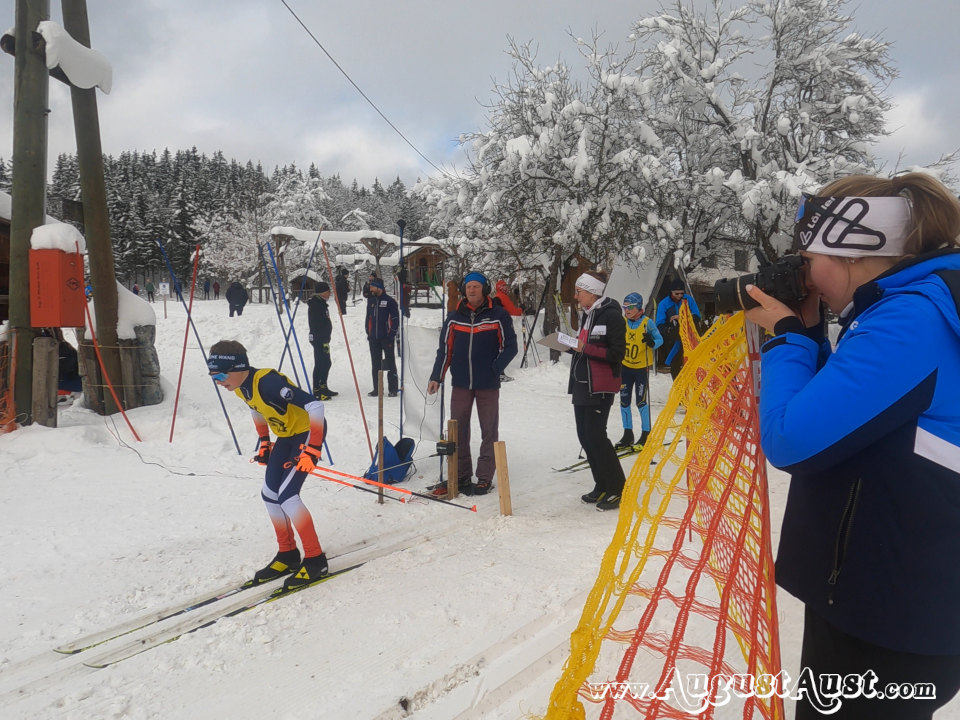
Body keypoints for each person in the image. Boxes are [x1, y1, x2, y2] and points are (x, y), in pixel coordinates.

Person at [744, 173, 960, 719]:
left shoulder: (911, 320)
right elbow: (856, 419)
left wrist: (788, 339)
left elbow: (791, 439)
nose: (804, 273)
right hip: (900, 598)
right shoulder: (909, 307)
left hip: (889, 617)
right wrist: (811, 333)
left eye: (808, 254)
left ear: (851, 250)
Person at [207, 341, 329, 589]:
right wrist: (264, 441)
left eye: (220, 374)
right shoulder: (241, 386)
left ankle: (316, 560)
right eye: (213, 376)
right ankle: (288, 554)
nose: (218, 381)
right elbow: (257, 409)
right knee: (270, 495)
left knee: (288, 496)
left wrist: (313, 448)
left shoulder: (267, 381)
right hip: (286, 437)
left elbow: (315, 406)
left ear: (238, 367)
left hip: (307, 434)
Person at [427, 271, 518, 497]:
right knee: (458, 430)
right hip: (460, 383)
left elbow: (511, 347)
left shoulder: (498, 315)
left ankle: (484, 476)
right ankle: (461, 473)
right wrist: (436, 376)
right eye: (468, 287)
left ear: (484, 289)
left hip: (487, 384)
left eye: (476, 286)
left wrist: (494, 369)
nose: (472, 290)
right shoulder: (454, 317)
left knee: (489, 430)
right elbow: (445, 350)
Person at [568, 271, 627, 511]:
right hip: (582, 383)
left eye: (579, 292)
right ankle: (601, 484)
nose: (575, 297)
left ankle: (617, 488)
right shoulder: (588, 315)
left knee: (596, 436)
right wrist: (571, 346)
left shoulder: (612, 316)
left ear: (592, 292)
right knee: (584, 436)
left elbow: (616, 354)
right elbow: (586, 347)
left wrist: (585, 348)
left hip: (600, 385)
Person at [615, 292, 663, 450]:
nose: (626, 309)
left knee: (641, 402)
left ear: (638, 308)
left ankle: (646, 434)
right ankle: (627, 434)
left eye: (630, 307)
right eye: (624, 306)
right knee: (624, 401)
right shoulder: (622, 322)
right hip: (626, 367)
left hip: (641, 369)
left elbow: (659, 340)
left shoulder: (647, 323)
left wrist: (651, 342)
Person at [656, 276, 700, 380]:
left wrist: (683, 318)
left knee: (693, 361)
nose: (680, 296)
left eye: (682, 293)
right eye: (677, 293)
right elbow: (659, 323)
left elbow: (697, 317)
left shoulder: (689, 300)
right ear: (671, 292)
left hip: (690, 337)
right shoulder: (664, 303)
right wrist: (668, 331)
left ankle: (693, 384)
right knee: (675, 363)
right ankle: (677, 386)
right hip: (673, 337)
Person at [365, 278, 399, 397]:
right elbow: (368, 318)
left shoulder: (390, 301)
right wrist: (368, 333)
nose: (371, 289)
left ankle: (393, 389)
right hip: (374, 338)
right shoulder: (371, 301)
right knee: (376, 364)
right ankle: (377, 388)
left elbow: (395, 320)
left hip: (386, 337)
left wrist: (391, 335)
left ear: (379, 287)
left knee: (390, 363)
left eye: (373, 287)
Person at [308, 282, 338, 401]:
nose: (329, 293)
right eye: (328, 291)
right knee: (320, 363)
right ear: (322, 293)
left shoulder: (322, 304)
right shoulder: (316, 305)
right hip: (319, 339)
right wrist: (322, 339)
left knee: (327, 363)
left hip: (324, 339)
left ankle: (323, 385)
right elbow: (317, 325)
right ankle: (317, 390)